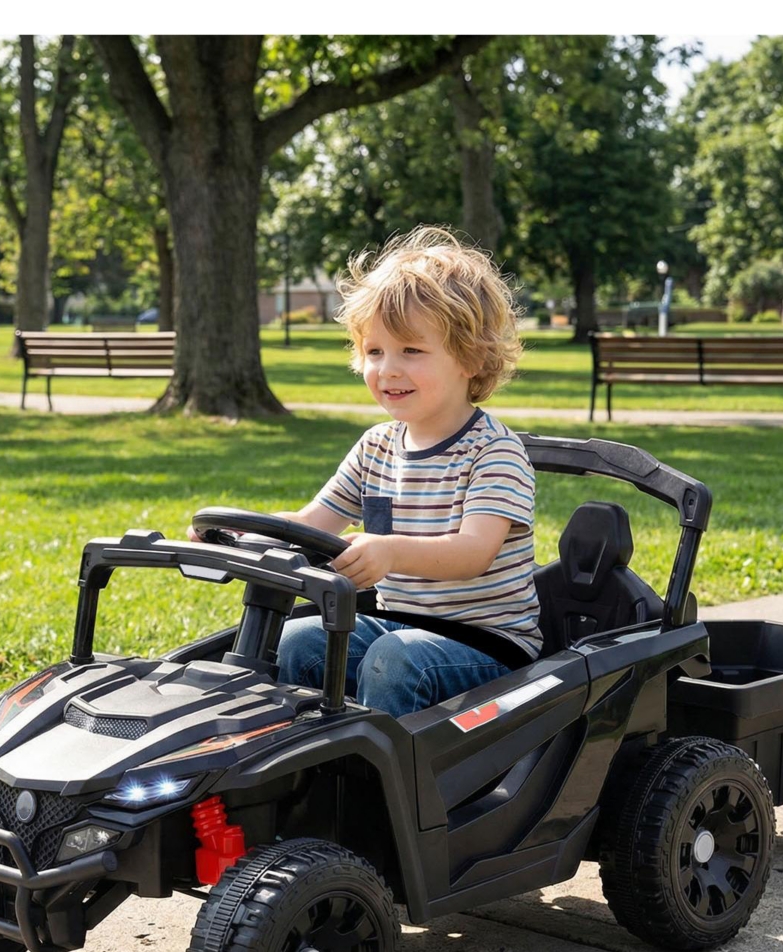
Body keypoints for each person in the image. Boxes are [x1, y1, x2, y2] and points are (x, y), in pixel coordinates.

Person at [190, 226, 542, 718]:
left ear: (472, 358)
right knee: (295, 641)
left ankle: (376, 767)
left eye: (411, 351)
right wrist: (242, 532)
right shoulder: (376, 446)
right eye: (375, 352)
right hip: (398, 626)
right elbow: (311, 523)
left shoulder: (494, 451)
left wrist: (389, 550)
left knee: (394, 661)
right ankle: (298, 754)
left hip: (487, 645)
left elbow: (473, 553)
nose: (388, 369)